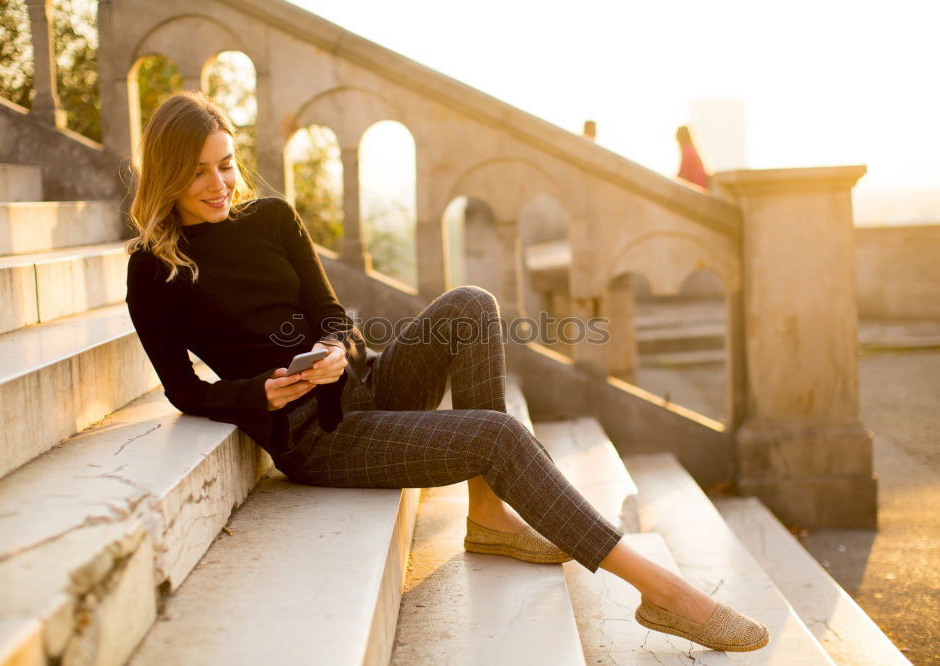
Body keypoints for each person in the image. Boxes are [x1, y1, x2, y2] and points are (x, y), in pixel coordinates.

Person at [124, 91, 769, 653]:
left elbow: (332, 314)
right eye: (199, 172)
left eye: (227, 165)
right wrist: (257, 392)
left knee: (471, 306)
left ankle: (488, 515)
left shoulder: (271, 218)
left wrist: (334, 350)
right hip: (315, 438)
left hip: (367, 387)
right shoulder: (153, 270)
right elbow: (183, 388)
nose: (220, 184)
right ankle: (663, 591)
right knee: (497, 433)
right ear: (169, 175)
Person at [676, 125, 710, 190]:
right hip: (700, 187)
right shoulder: (692, 150)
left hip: (695, 187)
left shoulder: (688, 152)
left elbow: (682, 174)